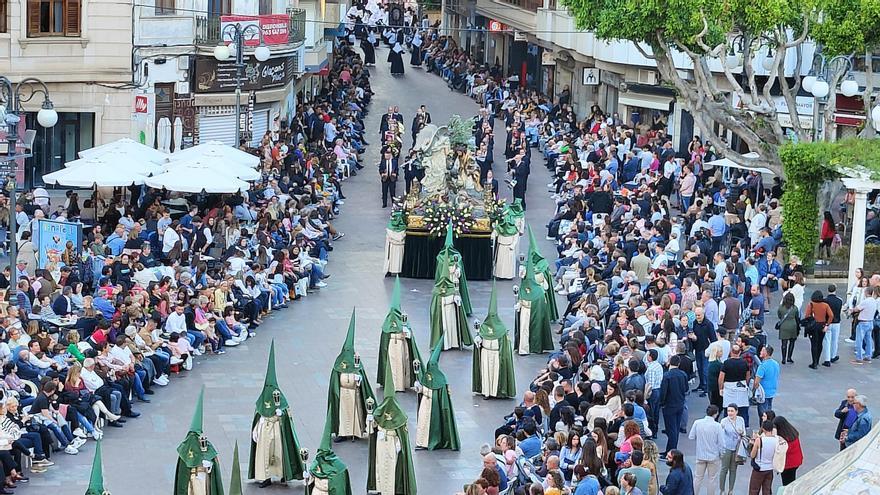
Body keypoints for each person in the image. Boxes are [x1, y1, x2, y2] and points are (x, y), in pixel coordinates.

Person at [248, 341, 305, 487]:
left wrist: (282, 414)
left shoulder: (281, 399)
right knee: (264, 454)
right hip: (266, 427)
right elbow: (259, 414)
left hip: (277, 428)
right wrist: (256, 428)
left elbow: (288, 417)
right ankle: (265, 477)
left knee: (279, 452)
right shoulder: (262, 399)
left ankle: (282, 474)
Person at [367, 353, 416, 495]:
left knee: (392, 468)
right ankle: (381, 488)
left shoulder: (400, 415)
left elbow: (403, 434)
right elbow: (372, 430)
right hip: (381, 444)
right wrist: (370, 421)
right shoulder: (379, 412)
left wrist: (400, 443)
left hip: (392, 444)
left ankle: (394, 489)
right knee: (380, 466)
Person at [328, 310, 376, 442]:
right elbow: (335, 383)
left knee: (356, 412)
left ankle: (356, 431)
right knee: (343, 413)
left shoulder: (357, 364)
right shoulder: (339, 365)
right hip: (343, 392)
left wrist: (358, 379)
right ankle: (342, 432)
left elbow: (363, 383)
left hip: (354, 392)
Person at [173, 390, 223, 495]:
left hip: (204, 479)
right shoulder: (184, 449)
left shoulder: (207, 447)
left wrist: (209, 466)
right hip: (191, 481)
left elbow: (214, 469)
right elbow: (182, 475)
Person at [378, 277, 423, 392]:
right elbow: (385, 335)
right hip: (392, 345)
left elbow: (409, 335)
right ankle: (392, 384)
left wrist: (406, 332)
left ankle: (402, 383)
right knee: (393, 365)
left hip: (402, 345)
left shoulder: (404, 320)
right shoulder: (388, 321)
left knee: (402, 364)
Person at [473, 283, 517, 399]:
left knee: (495, 373)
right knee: (486, 372)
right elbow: (479, 340)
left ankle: (496, 391)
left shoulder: (501, 329)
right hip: (486, 352)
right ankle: (486, 391)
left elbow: (505, 345)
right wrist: (478, 341)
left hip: (496, 353)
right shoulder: (483, 327)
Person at [415, 342, 460, 451]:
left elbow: (437, 393)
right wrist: (419, 387)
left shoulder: (441, 379)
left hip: (433, 406)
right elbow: (425, 385)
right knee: (422, 421)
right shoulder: (427, 375)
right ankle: (421, 442)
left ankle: (429, 442)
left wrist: (423, 390)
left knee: (429, 424)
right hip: (425, 403)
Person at [688, 405, 723, 495]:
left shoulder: (697, 423)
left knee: (697, 478)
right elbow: (721, 443)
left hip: (700, 455)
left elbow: (691, 436)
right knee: (712, 479)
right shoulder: (718, 426)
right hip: (714, 456)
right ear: (716, 414)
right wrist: (721, 454)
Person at [660, 355, 689, 454]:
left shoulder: (667, 376)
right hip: (680, 404)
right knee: (675, 428)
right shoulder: (683, 374)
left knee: (671, 429)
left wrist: (662, 403)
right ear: (679, 364)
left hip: (669, 405)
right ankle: (672, 449)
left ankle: (670, 451)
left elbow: (663, 392)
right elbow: (686, 388)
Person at [719, 404, 746, 495]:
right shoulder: (724, 421)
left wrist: (741, 433)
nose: (730, 413)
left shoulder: (740, 420)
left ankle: (731, 490)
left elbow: (744, 433)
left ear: (736, 411)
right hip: (727, 447)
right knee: (724, 469)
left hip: (737, 448)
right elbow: (721, 435)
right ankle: (722, 490)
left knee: (733, 469)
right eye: (728, 411)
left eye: (732, 411)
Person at [804, 290, 833, 369]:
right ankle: (818, 360)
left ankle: (814, 362)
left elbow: (807, 316)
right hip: (822, 325)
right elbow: (831, 315)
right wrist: (827, 324)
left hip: (813, 326)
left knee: (814, 344)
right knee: (820, 343)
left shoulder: (811, 304)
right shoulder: (825, 305)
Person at [747, 420, 777, 495]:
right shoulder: (776, 440)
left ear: (763, 429)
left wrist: (752, 443)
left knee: (754, 490)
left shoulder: (759, 440)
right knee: (767, 490)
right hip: (770, 468)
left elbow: (752, 455)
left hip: (759, 468)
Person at [772, 416, 802, 486]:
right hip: (796, 461)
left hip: (788, 464)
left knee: (787, 483)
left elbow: (781, 450)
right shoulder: (792, 432)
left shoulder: (784, 439)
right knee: (791, 479)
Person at [852, 286, 877, 364]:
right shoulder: (874, 301)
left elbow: (856, 309)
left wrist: (851, 310)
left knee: (859, 340)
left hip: (863, 322)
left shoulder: (865, 301)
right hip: (870, 322)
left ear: (866, 292)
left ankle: (859, 358)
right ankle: (868, 356)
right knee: (868, 340)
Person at [753, 346, 779, 417]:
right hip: (772, 391)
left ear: (766, 353)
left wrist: (755, 390)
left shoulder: (762, 366)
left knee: (763, 415)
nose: (760, 352)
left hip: (763, 394)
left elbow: (756, 381)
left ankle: (764, 427)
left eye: (762, 351)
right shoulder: (776, 363)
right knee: (769, 412)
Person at [823, 284, 844, 366]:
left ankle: (827, 359)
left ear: (828, 290)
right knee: (835, 340)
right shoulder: (840, 300)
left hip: (828, 322)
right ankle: (833, 355)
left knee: (827, 341)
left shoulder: (825, 300)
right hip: (837, 322)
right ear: (835, 290)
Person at [775, 293, 799, 365]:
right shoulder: (795, 308)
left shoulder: (781, 308)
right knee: (792, 342)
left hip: (784, 326)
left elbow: (779, 315)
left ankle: (783, 358)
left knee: (784, 344)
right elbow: (797, 317)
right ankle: (789, 357)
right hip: (793, 325)